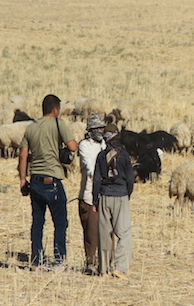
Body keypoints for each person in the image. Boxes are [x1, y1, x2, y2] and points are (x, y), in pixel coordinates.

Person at [18, 94, 79, 269]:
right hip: (52, 180)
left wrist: (23, 179)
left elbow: (23, 155)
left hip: (35, 179)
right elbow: (73, 147)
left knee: (37, 222)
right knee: (60, 223)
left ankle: (36, 260)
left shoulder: (31, 127)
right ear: (56, 109)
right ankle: (59, 260)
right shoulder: (59, 124)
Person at [92, 123, 134, 279]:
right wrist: (127, 194)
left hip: (104, 196)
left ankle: (103, 269)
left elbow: (96, 179)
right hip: (120, 195)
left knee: (104, 234)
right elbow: (130, 178)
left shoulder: (101, 156)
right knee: (124, 233)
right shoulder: (124, 155)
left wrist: (96, 199)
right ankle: (120, 268)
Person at [77, 113, 107, 274]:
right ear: (90, 129)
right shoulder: (84, 146)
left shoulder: (105, 145)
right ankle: (90, 263)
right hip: (88, 196)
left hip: (105, 195)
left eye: (102, 127)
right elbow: (90, 168)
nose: (101, 130)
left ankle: (104, 264)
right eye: (97, 128)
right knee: (91, 233)